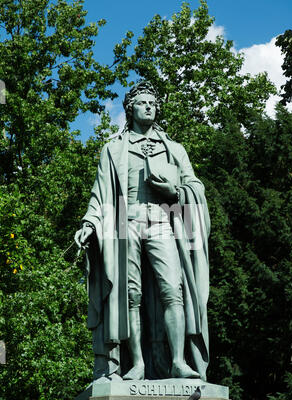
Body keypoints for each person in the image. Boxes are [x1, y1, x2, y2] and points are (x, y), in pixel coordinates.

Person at [75, 81, 210, 382]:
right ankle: (136, 364)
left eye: (152, 102)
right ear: (130, 109)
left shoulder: (173, 150)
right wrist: (89, 223)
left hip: (165, 220)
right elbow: (100, 195)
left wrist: (176, 191)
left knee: (173, 290)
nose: (148, 106)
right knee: (130, 295)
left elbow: (195, 186)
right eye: (142, 102)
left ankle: (177, 362)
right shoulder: (113, 150)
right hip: (127, 223)